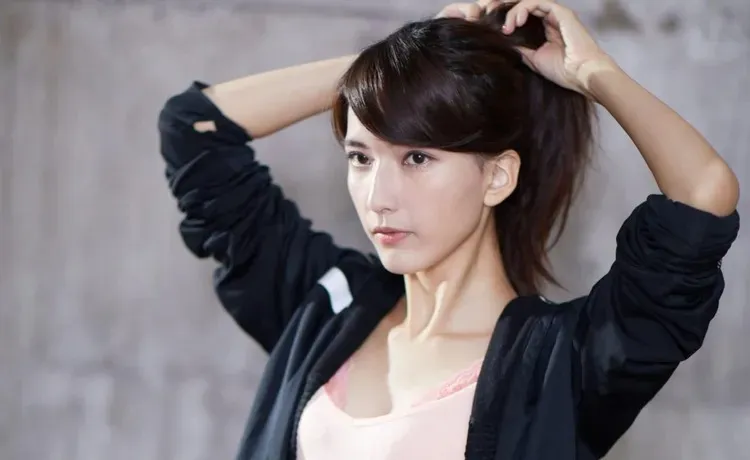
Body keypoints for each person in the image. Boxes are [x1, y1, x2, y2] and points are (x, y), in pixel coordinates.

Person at [156, 0, 740, 458]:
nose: (379, 198)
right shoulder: (326, 308)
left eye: (417, 158)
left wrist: (595, 74)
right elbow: (196, 129)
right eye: (361, 158)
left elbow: (703, 194)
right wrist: (390, 69)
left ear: (497, 177)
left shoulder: (561, 364)